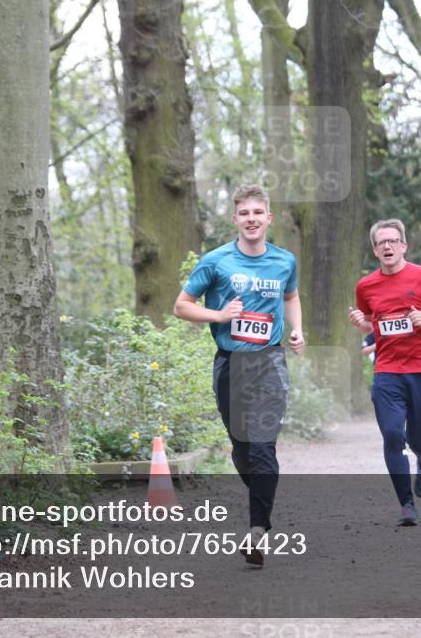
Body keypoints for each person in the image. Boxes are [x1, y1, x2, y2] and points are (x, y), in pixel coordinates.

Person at [173, 184, 304, 567]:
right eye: (244, 214)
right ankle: (263, 495)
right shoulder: (215, 261)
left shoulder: (284, 262)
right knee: (243, 451)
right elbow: (182, 307)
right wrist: (219, 316)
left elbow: (291, 297)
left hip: (268, 362)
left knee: (262, 446)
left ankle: (256, 531)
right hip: (230, 363)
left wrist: (297, 330)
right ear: (235, 220)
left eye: (257, 213)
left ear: (268, 218)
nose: (251, 219)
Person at [348, 219, 421, 526]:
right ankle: (407, 504)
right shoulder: (366, 286)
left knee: (420, 439)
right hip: (388, 370)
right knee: (393, 435)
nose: (387, 246)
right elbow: (374, 324)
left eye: (392, 241)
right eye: (381, 242)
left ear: (403, 246)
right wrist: (362, 324)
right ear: (375, 250)